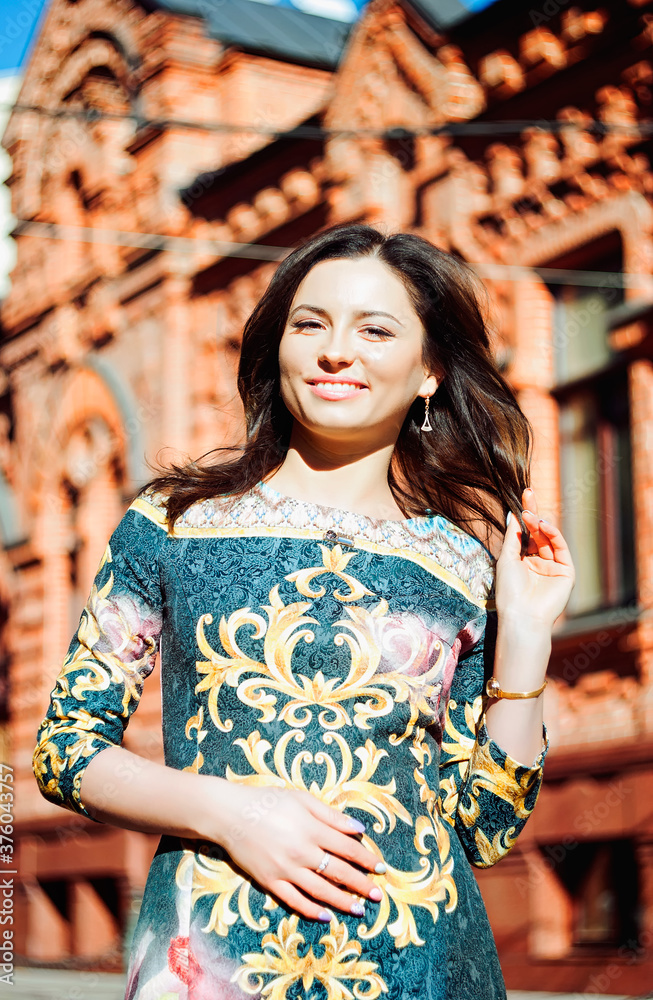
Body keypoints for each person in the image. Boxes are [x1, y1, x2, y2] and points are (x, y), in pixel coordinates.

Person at [32, 223, 575, 1000]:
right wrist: (230, 814)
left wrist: (525, 631)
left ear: (428, 372)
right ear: (276, 347)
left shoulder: (461, 564)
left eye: (374, 329)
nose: (334, 351)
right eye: (309, 323)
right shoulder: (174, 523)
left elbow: (484, 828)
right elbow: (66, 749)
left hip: (418, 962)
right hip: (213, 960)